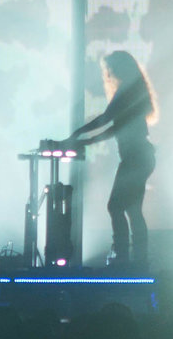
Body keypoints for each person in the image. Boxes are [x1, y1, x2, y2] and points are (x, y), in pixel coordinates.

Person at [64, 50, 157, 271]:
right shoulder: (134, 91)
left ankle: (124, 256)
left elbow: (106, 120)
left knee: (115, 206)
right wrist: (85, 139)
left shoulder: (127, 91)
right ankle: (137, 258)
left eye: (111, 68)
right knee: (132, 209)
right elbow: (115, 127)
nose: (109, 73)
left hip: (136, 157)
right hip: (141, 157)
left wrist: (78, 134)